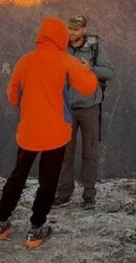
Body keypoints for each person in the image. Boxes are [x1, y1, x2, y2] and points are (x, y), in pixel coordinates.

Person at [0, 17, 98, 247]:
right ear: (60, 38)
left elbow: (12, 97)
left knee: (17, 176)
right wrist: (86, 70)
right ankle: (35, 230)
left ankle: (0, 224)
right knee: (47, 182)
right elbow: (89, 87)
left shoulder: (24, 61)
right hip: (55, 133)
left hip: (28, 131)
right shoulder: (66, 61)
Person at [53, 15, 115, 209]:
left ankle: (89, 196)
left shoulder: (95, 49)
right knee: (65, 154)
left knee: (90, 153)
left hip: (89, 107)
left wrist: (91, 69)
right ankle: (64, 194)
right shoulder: (60, 47)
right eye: (70, 29)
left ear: (84, 30)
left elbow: (109, 72)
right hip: (67, 108)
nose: (72, 33)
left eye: (76, 29)